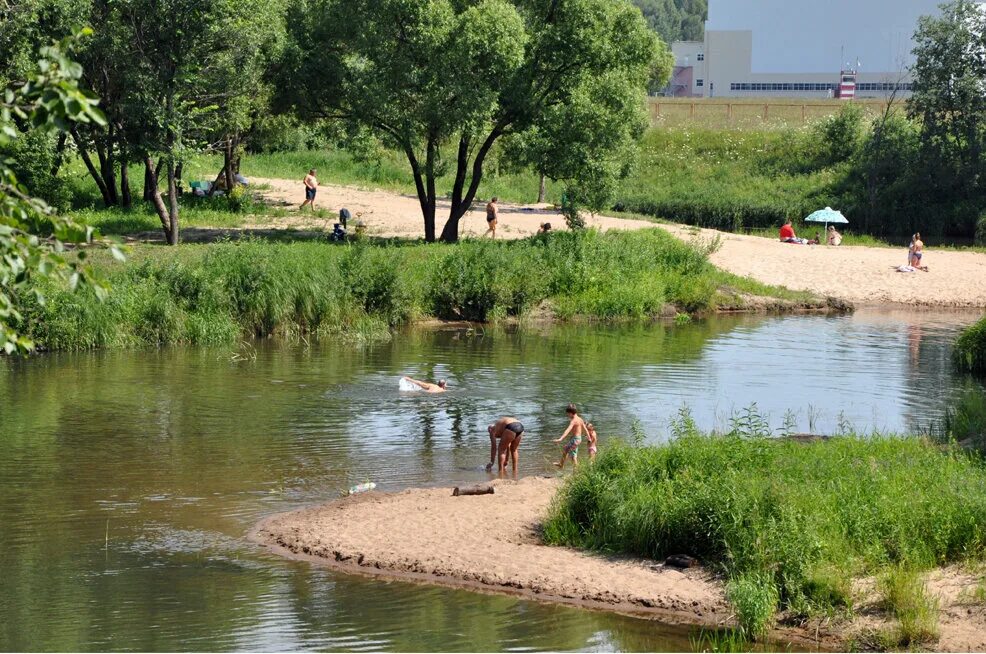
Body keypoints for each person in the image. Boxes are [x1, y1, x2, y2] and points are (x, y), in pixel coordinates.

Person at [553, 404, 587, 469]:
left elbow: (568, 430)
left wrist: (561, 438)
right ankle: (561, 464)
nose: (567, 415)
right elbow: (584, 429)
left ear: (571, 413)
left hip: (575, 440)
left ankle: (576, 471)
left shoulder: (573, 421)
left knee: (573, 456)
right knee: (565, 449)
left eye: (568, 414)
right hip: (577, 439)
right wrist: (588, 436)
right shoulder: (580, 419)